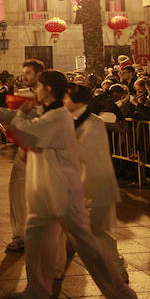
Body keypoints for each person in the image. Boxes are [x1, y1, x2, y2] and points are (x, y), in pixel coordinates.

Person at [2, 71, 140, 299]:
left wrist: (20, 115)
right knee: (36, 238)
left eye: (39, 86)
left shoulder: (58, 117)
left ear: (49, 90)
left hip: (64, 193)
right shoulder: (51, 114)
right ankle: (38, 289)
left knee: (90, 250)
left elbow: (25, 134)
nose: (35, 89)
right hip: (44, 190)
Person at [59, 83, 127, 282]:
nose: (63, 101)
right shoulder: (72, 120)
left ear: (77, 100)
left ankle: (117, 268)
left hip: (96, 185)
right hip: (78, 185)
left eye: (66, 98)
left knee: (99, 232)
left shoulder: (93, 123)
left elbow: (84, 151)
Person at [0, 58, 44, 252]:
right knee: (17, 193)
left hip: (43, 154)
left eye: (28, 73)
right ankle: (20, 234)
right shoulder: (24, 94)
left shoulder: (49, 96)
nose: (24, 76)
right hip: (24, 152)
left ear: (38, 74)